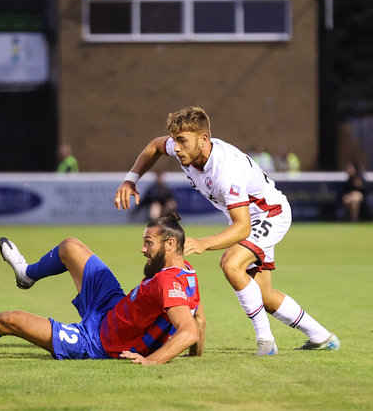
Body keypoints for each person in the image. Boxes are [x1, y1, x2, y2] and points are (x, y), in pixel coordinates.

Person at [114, 106, 339, 355]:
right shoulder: (184, 150)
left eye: (182, 141)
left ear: (203, 139)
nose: (176, 148)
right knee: (263, 295)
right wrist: (130, 179)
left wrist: (203, 243)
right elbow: (155, 146)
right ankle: (322, 337)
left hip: (269, 214)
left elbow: (243, 227)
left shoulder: (226, 170)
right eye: (175, 140)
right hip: (250, 220)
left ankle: (266, 343)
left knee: (231, 264)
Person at [0, 213, 206, 365]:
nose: (143, 250)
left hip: (99, 341)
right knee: (71, 247)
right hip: (111, 308)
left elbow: (188, 329)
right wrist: (194, 358)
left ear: (170, 243)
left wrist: (154, 361)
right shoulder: (185, 272)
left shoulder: (167, 281)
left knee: (11, 319)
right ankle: (27, 274)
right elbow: (199, 321)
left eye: (148, 243)